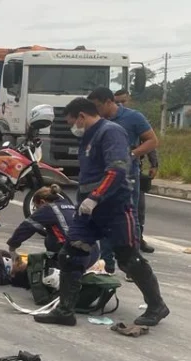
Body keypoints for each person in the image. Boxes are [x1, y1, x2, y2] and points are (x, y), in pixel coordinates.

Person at [34, 98, 169, 327]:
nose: (71, 128)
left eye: (71, 122)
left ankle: (157, 305)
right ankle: (65, 310)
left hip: (114, 208)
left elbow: (117, 169)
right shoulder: (89, 136)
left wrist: (96, 196)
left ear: (81, 117)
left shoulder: (110, 132)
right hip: (88, 211)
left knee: (129, 259)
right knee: (70, 254)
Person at [88, 87, 159, 266]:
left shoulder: (133, 117)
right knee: (103, 213)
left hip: (128, 174)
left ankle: (133, 262)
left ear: (109, 102)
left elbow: (152, 140)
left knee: (129, 215)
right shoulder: (97, 121)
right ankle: (106, 262)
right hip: (104, 174)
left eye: (97, 106)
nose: (96, 111)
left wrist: (133, 154)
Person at [6, 184, 101, 267]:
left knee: (48, 245)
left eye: (36, 207)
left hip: (74, 256)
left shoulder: (48, 208)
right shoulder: (70, 206)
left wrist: (12, 248)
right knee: (51, 235)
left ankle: (61, 270)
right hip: (93, 253)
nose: (36, 210)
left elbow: (26, 227)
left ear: (42, 202)